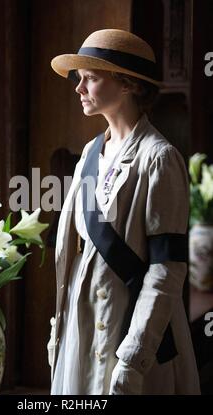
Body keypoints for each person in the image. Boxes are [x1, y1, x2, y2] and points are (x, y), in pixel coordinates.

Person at [47, 29, 201, 395]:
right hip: (84, 319)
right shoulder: (89, 153)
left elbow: (167, 270)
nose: (79, 89)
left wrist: (134, 356)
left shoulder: (159, 158)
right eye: (80, 79)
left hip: (131, 324)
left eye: (91, 79)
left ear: (128, 84)